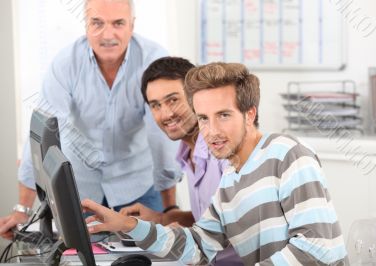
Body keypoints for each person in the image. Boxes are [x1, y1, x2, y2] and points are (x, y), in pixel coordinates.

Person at [83, 62, 348, 265]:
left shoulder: (287, 154)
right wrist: (127, 225)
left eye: (223, 115)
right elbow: (198, 245)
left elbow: (316, 246)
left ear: (249, 114)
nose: (211, 131)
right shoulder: (230, 180)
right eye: (203, 119)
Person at [0, 0, 181, 240]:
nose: (108, 34)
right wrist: (23, 210)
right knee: (83, 257)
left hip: (139, 185)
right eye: (97, 23)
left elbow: (161, 136)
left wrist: (169, 208)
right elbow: (42, 131)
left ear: (132, 25)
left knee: (151, 256)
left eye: (118, 23)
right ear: (85, 25)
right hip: (83, 191)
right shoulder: (65, 63)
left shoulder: (153, 59)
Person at [119, 56, 242, 265]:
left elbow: (241, 230)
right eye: (155, 105)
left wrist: (175, 238)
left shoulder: (225, 152)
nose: (166, 113)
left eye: (173, 100)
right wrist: (160, 219)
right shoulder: (188, 152)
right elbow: (210, 219)